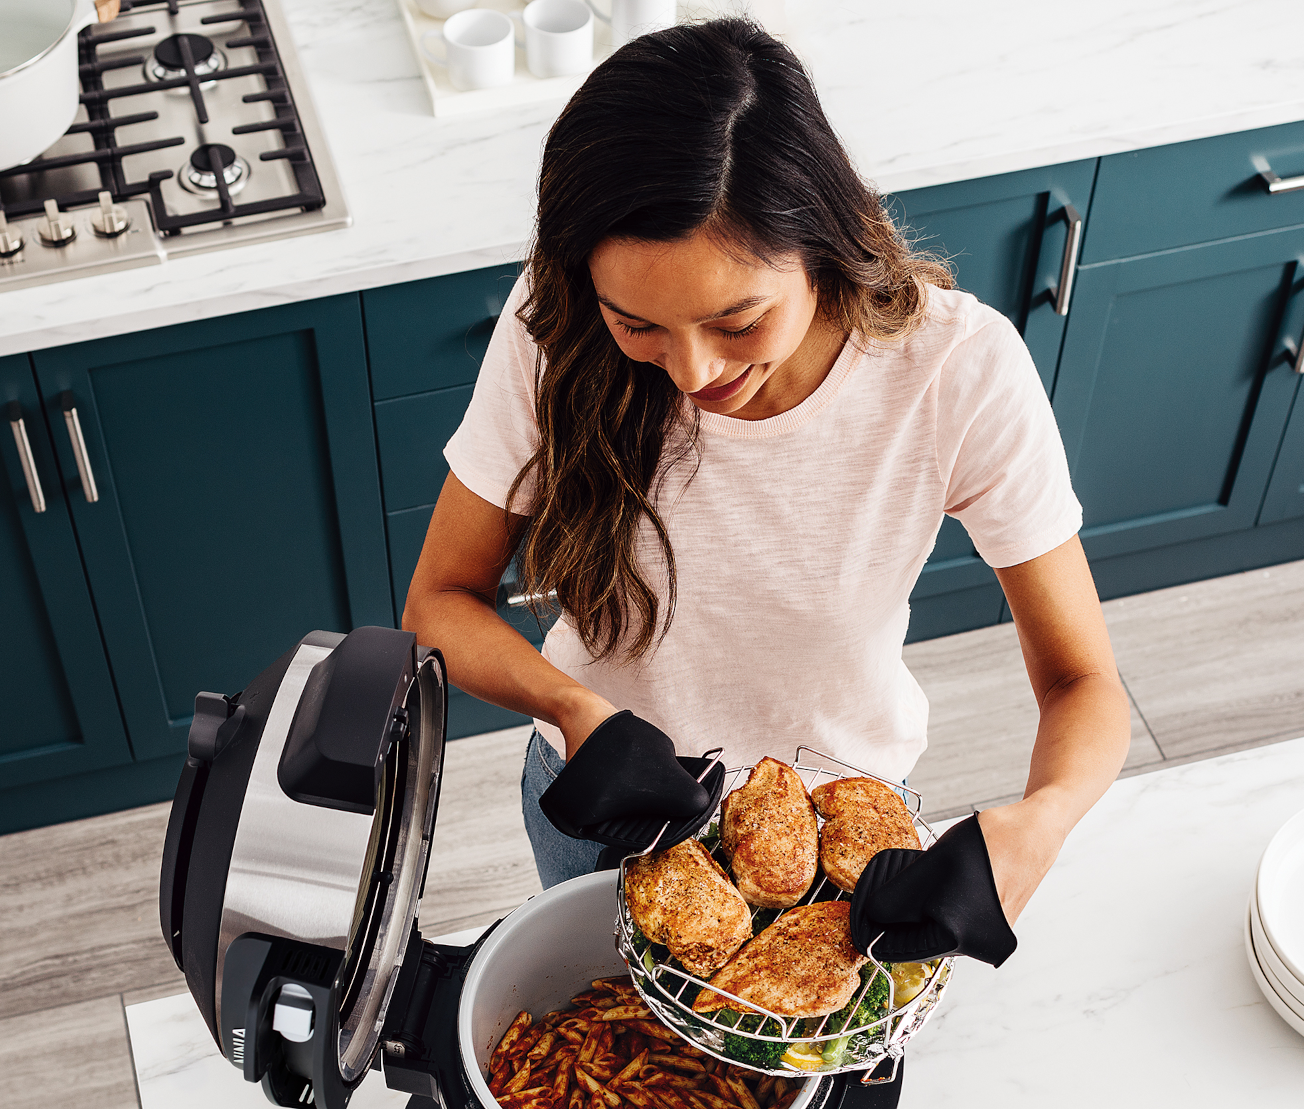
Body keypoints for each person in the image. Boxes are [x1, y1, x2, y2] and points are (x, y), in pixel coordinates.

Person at [402, 18, 1129, 945]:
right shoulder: (557, 330)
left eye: (738, 321)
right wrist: (573, 707)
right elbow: (439, 602)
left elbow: (1083, 679)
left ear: (819, 242)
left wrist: (1042, 823)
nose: (693, 371)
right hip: (604, 807)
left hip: (842, 833)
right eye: (639, 326)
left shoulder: (954, 371)